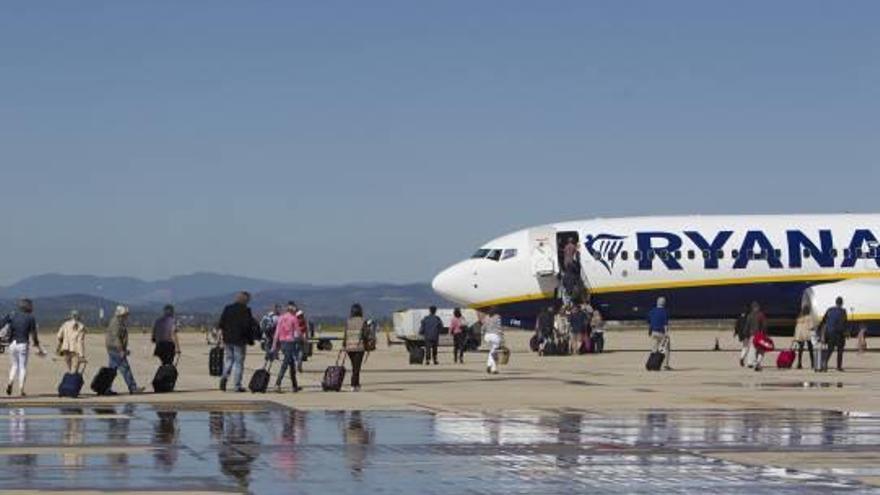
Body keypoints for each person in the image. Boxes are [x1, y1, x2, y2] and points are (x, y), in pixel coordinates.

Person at [3, 299, 45, 397]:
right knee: (22, 367)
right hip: (23, 343)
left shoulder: (13, 315)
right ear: (28, 307)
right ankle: (21, 389)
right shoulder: (31, 318)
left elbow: (2, 323)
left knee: (14, 365)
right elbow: (34, 334)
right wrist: (37, 346)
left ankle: (10, 382)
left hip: (12, 343)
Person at [218, 292, 258, 393]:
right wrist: (250, 339)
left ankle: (224, 376)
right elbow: (247, 326)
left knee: (229, 360)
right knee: (238, 363)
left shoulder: (228, 308)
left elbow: (221, 323)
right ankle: (237, 385)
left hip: (228, 339)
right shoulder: (246, 310)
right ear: (245, 300)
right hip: (239, 340)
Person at [105, 305, 144, 395]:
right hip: (116, 349)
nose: (127, 316)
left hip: (113, 349)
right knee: (125, 368)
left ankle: (106, 388)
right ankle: (133, 388)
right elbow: (116, 338)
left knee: (112, 371)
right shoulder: (116, 322)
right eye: (126, 314)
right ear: (121, 314)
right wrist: (121, 350)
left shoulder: (118, 321)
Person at [271, 302, 302, 393]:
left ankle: (294, 385)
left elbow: (276, 333)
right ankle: (277, 384)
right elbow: (298, 332)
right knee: (285, 364)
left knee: (291, 364)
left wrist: (274, 346)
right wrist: (303, 340)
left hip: (282, 342)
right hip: (290, 342)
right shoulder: (294, 318)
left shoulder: (281, 318)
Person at [343, 303, 367, 392]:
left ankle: (356, 384)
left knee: (354, 366)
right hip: (359, 347)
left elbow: (345, 334)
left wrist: (344, 345)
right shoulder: (363, 321)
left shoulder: (348, 321)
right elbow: (365, 334)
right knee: (356, 368)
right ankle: (354, 384)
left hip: (349, 347)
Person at [820, 297, 848, 372]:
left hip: (830, 333)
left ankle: (824, 363)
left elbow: (823, 321)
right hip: (839, 333)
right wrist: (846, 332)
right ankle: (838, 367)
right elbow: (844, 323)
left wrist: (822, 332)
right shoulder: (843, 311)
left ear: (836, 302)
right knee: (840, 350)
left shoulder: (830, 310)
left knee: (830, 349)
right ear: (842, 303)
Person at [647, 297, 671, 370]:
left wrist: (650, 331)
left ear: (657, 302)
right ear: (664, 303)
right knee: (664, 349)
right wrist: (667, 334)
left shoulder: (652, 311)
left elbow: (650, 322)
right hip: (661, 333)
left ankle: (651, 364)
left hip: (654, 332)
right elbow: (665, 325)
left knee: (654, 349)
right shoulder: (664, 312)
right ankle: (665, 365)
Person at [744, 301, 769, 371]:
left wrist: (745, 335)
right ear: (757, 307)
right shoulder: (761, 315)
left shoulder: (749, 315)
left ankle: (750, 362)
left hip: (752, 335)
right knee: (761, 349)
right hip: (759, 335)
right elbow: (764, 325)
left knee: (752, 349)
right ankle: (758, 362)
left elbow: (747, 326)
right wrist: (765, 334)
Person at [793, 304, 815, 370]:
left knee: (800, 350)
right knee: (810, 349)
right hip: (807, 335)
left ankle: (799, 363)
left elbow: (797, 327)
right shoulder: (809, 317)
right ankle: (813, 363)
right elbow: (811, 327)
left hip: (799, 335)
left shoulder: (799, 317)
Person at [483, 309, 504, 374]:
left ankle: (489, 364)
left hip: (487, 336)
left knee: (492, 351)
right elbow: (499, 327)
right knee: (495, 353)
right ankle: (493, 369)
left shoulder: (486, 317)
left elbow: (483, 327)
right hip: (495, 336)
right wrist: (502, 338)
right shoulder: (497, 317)